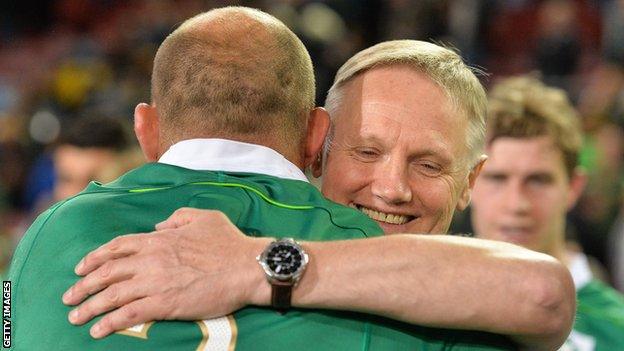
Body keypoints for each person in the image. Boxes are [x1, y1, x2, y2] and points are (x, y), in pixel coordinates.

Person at [8, 7, 526, 351]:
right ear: (317, 141)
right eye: (367, 151)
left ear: (145, 130)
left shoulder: (45, 236)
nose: (391, 187)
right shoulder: (440, 313)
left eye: (429, 164)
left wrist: (252, 267)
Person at [470, 75, 624, 351]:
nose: (517, 204)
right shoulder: (427, 313)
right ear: (468, 183)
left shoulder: (616, 330)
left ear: (574, 188)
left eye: (538, 180)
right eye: (497, 178)